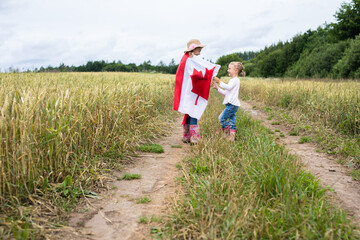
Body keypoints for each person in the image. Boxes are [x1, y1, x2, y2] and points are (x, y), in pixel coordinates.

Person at [173, 39, 220, 144]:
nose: (201, 50)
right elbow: (197, 73)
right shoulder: (190, 60)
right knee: (193, 110)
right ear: (194, 49)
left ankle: (187, 136)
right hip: (191, 90)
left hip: (188, 90)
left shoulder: (186, 59)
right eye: (199, 48)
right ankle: (194, 138)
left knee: (189, 112)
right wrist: (209, 75)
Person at [213, 62, 245, 141]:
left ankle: (226, 130)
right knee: (232, 121)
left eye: (229, 68)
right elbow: (226, 93)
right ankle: (231, 137)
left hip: (232, 105)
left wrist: (219, 81)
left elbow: (228, 87)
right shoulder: (232, 80)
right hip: (231, 105)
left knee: (221, 118)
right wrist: (217, 88)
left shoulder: (235, 80)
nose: (228, 70)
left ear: (236, 71)